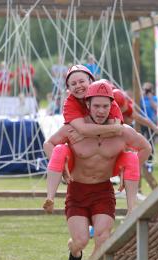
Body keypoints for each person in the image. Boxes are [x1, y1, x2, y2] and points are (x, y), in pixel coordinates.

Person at [43, 80, 151, 260]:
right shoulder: (73, 129)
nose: (101, 111)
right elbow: (49, 144)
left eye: (105, 106)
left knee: (102, 237)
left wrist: (126, 172)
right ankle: (74, 250)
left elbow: (146, 148)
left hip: (103, 191)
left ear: (112, 106)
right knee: (81, 241)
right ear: (88, 105)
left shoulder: (122, 131)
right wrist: (63, 167)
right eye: (96, 106)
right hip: (77, 192)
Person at [44, 66, 140, 209]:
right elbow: (109, 128)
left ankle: (132, 207)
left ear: (91, 81)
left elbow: (118, 128)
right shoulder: (70, 103)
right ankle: (50, 197)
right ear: (68, 89)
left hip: (104, 170)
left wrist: (126, 172)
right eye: (73, 84)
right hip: (79, 170)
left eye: (81, 81)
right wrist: (61, 167)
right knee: (59, 150)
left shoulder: (109, 99)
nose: (78, 86)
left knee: (131, 158)